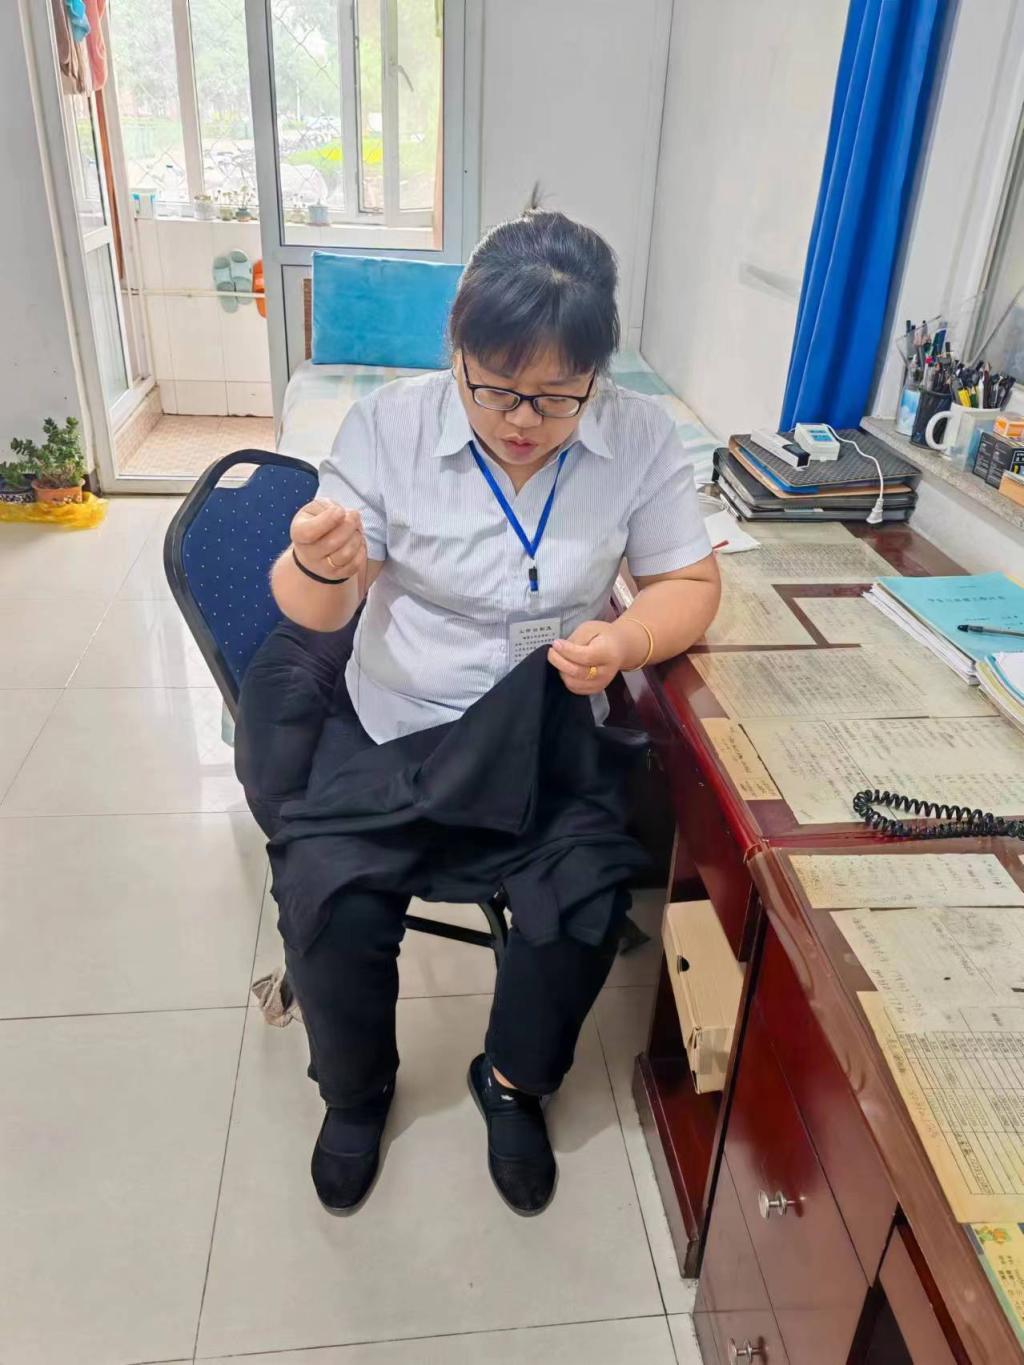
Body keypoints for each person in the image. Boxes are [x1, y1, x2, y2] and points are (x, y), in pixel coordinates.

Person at [266, 208, 721, 1217]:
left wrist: (625, 641)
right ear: (456, 348)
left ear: (599, 373)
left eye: (557, 397)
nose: (523, 419)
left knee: (586, 902)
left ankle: (512, 1083)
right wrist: (316, 563)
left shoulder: (638, 436)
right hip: (398, 723)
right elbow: (315, 609)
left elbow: (690, 582)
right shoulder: (389, 427)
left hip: (543, 729)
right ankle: (356, 1094)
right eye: (497, 387)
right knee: (329, 901)